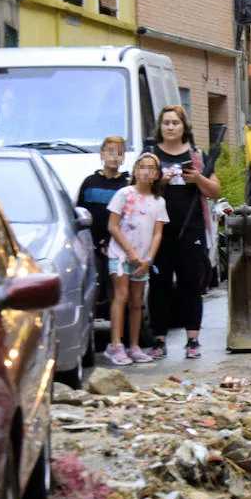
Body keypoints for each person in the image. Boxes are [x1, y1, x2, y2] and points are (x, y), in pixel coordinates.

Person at [148, 105, 222, 359]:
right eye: (166, 123)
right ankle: (159, 339)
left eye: (175, 123)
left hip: (191, 227)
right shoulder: (151, 156)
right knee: (159, 284)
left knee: (191, 283)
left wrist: (198, 179)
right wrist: (162, 181)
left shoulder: (197, 155)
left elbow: (215, 191)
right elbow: (137, 189)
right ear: (160, 127)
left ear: (184, 127)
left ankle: (193, 340)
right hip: (158, 230)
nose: (170, 127)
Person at [104, 153, 168, 366]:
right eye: (142, 167)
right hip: (121, 255)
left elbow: (158, 233)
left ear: (157, 175)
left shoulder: (158, 201)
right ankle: (115, 344)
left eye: (151, 168)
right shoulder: (124, 194)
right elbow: (112, 226)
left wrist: (148, 259)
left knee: (136, 302)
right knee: (120, 297)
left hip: (143, 259)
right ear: (134, 170)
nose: (146, 172)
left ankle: (134, 345)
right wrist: (130, 252)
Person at [76, 136, 130, 314]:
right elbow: (80, 214)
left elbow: (128, 219)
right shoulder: (89, 182)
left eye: (119, 153)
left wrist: (110, 242)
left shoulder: (126, 185)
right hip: (92, 246)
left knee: (115, 289)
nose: (114, 157)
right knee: (93, 287)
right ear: (102, 154)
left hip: (116, 246)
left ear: (123, 157)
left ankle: (117, 334)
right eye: (110, 152)